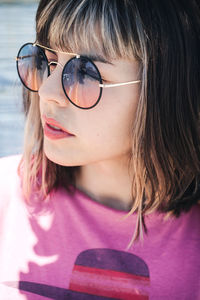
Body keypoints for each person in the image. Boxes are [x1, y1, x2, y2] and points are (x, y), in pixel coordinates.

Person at [0, 0, 200, 299]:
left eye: (86, 73)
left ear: (166, 90)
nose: (48, 92)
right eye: (45, 61)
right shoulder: (6, 195)